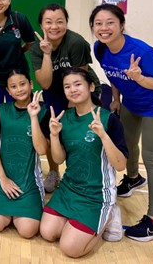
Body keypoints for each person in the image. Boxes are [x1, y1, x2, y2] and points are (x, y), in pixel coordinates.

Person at [90, 3, 153, 241]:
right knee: (126, 144)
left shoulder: (142, 52)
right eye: (98, 23)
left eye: (110, 23)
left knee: (152, 158)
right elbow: (112, 75)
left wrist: (139, 78)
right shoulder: (100, 48)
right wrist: (116, 99)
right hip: (131, 103)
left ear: (121, 25)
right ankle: (133, 179)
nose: (104, 28)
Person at [39, 68, 128, 258]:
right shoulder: (65, 118)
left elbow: (120, 165)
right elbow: (59, 159)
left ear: (91, 87)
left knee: (70, 248)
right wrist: (54, 135)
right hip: (69, 188)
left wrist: (103, 136)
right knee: (47, 232)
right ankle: (80, 224)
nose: (72, 89)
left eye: (78, 84)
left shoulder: (109, 119)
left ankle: (109, 214)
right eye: (67, 86)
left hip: (96, 194)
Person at [28, 3, 101, 193]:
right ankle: (54, 172)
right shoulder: (36, 48)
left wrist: (73, 108)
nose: (54, 27)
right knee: (52, 131)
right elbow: (45, 83)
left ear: (66, 23)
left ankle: (84, 175)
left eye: (59, 22)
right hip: (54, 91)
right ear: (41, 25)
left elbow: (80, 80)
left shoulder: (76, 42)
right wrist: (47, 54)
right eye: (48, 22)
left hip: (82, 90)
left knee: (79, 134)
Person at [0, 71, 48, 238]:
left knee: (27, 231)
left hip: (28, 181)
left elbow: (42, 150)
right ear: (8, 91)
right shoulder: (1, 110)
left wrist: (33, 117)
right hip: (2, 178)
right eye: (13, 86)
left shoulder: (43, 111)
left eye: (22, 84)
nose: (19, 89)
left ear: (31, 84)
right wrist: (3, 178)